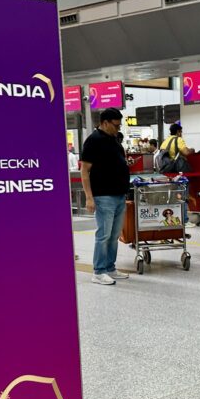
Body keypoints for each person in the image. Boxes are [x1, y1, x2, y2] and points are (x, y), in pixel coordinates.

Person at [80, 108, 131, 286]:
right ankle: (99, 271)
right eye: (116, 125)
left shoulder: (114, 140)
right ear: (105, 122)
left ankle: (110, 267)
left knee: (114, 235)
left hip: (119, 195)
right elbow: (84, 170)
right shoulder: (93, 141)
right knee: (103, 235)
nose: (118, 129)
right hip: (103, 196)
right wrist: (89, 197)